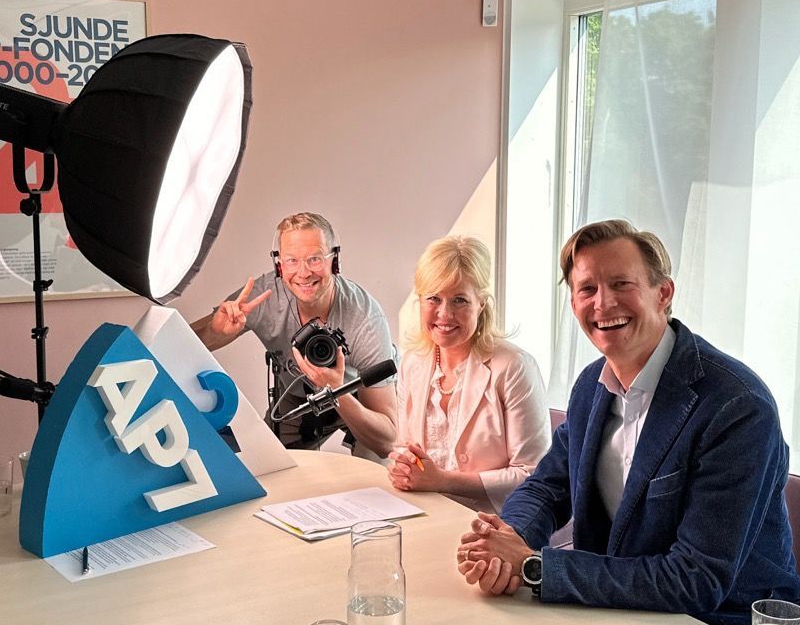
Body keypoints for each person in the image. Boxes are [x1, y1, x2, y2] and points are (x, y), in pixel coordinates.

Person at [457, 220, 800, 625]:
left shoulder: (736, 406)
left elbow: (696, 579)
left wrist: (534, 566)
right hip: (622, 612)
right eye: (587, 289)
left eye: (621, 284)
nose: (603, 303)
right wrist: (507, 541)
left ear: (663, 293)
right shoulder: (592, 386)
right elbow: (547, 488)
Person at [191, 212, 397, 457]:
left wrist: (335, 389)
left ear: (334, 260)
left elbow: (386, 441)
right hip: (297, 394)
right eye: (291, 260)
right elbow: (179, 340)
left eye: (314, 259)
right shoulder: (264, 296)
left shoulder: (365, 318)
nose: (303, 272)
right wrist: (215, 331)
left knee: (377, 470)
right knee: (268, 461)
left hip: (355, 394)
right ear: (279, 264)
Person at [386, 236, 550, 512]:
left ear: (481, 304)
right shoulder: (412, 363)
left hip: (495, 522)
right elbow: (406, 449)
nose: (445, 314)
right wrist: (403, 469)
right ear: (420, 301)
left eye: (459, 300)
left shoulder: (514, 367)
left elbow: (533, 475)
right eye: (433, 299)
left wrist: (442, 481)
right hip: (426, 513)